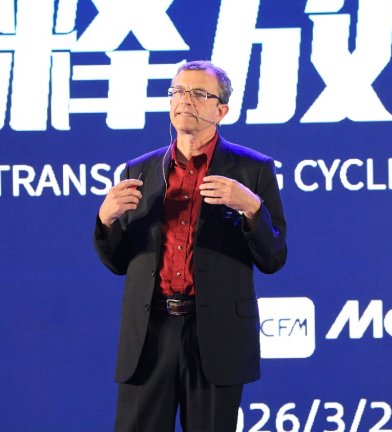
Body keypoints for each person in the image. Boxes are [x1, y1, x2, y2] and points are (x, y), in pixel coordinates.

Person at [93, 60, 287, 431]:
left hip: (214, 333)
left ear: (221, 110)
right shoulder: (139, 170)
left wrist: (252, 209)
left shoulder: (253, 170)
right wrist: (106, 220)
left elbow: (274, 257)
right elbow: (118, 263)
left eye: (199, 93)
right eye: (178, 92)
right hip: (149, 333)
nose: (185, 100)